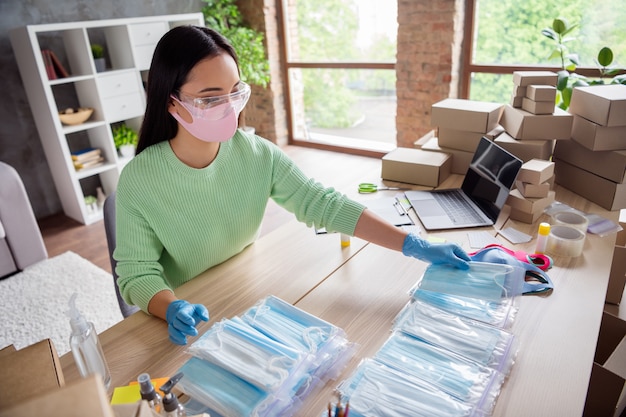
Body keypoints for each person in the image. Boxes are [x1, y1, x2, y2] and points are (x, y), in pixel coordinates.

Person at [114, 25, 470, 345]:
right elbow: (136, 275)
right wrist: (171, 306)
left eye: (235, 92)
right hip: (195, 317)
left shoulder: (257, 155)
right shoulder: (140, 181)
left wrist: (413, 245)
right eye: (210, 98)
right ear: (171, 102)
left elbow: (322, 203)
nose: (228, 107)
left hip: (245, 289)